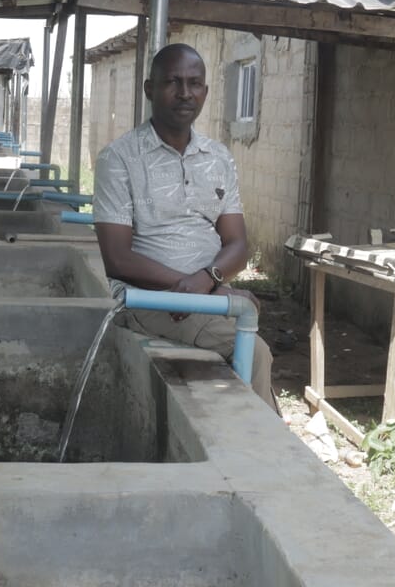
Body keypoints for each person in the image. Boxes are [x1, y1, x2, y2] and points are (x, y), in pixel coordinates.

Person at [92, 43, 276, 410]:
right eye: (172, 82)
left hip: (201, 295)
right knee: (253, 351)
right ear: (150, 90)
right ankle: (268, 463)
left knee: (244, 340)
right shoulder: (120, 159)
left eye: (194, 83)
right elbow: (117, 258)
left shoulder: (218, 157)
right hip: (149, 301)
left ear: (206, 92)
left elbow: (238, 245)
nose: (184, 93)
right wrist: (195, 291)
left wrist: (204, 282)